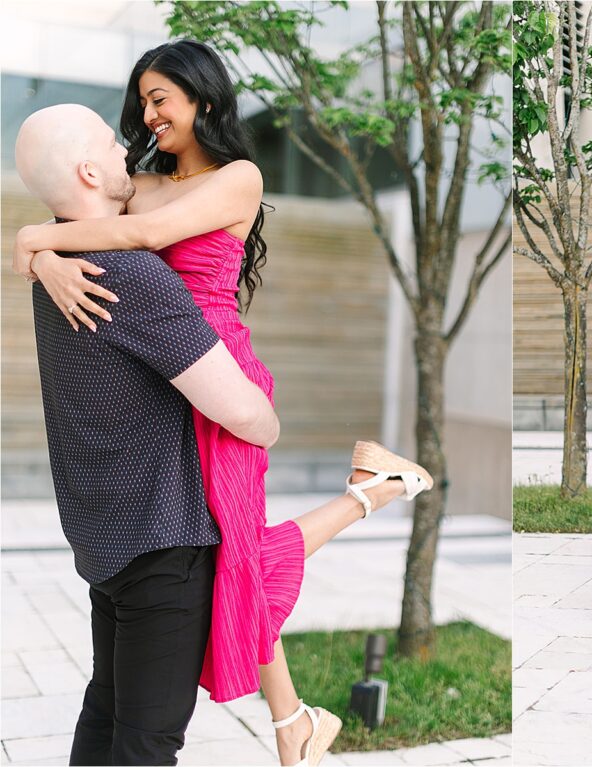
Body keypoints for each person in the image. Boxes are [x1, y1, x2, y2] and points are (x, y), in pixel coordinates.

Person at [13, 41, 432, 767]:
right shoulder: (138, 180)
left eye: (159, 98)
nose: (146, 114)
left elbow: (137, 237)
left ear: (202, 99)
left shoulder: (239, 176)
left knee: (234, 551)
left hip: (215, 364)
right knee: (233, 554)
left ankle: (297, 709)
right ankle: (295, 716)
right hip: (171, 366)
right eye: (140, 101)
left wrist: (34, 242)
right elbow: (93, 210)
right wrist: (43, 249)